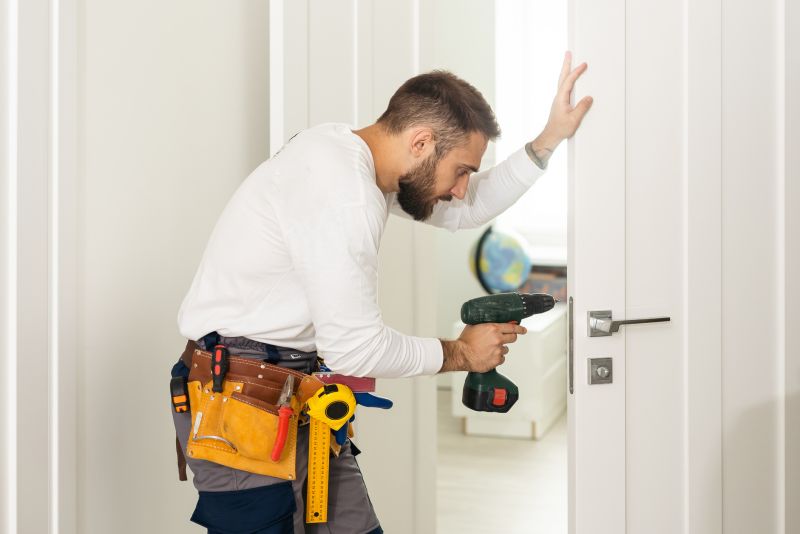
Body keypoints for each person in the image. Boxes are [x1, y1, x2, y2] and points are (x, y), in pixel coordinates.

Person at [170, 51, 592, 534]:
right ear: (421, 141)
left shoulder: (346, 152)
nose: (460, 188)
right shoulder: (344, 195)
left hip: (297, 393)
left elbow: (465, 210)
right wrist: (461, 353)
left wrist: (548, 140)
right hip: (241, 400)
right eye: (460, 169)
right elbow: (354, 347)